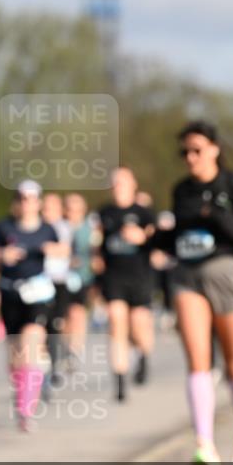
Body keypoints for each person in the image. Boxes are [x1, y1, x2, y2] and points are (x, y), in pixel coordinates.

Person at [159, 120, 233, 465]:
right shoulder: (181, 191)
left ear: (215, 150)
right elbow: (175, 234)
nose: (190, 158)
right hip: (187, 275)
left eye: (197, 150)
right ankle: (204, 443)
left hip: (226, 272)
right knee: (197, 359)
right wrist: (148, 239)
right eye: (185, 152)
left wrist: (219, 217)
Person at [0, 181, 61, 432]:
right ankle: (24, 387)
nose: (27, 203)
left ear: (39, 202)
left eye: (31, 199)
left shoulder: (47, 229)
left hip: (38, 293)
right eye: (22, 199)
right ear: (17, 203)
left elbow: (63, 251)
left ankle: (26, 410)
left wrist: (50, 249)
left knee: (32, 342)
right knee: (15, 355)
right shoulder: (4, 227)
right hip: (11, 293)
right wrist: (1, 255)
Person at [96, 167, 156, 402]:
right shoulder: (104, 213)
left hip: (139, 275)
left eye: (123, 182)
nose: (118, 187)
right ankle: (119, 380)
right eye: (115, 183)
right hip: (114, 277)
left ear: (133, 185)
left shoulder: (143, 213)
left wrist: (142, 238)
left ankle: (143, 355)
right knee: (116, 321)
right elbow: (97, 243)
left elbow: (157, 241)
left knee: (138, 324)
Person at [41, 192, 73, 385]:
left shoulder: (63, 227)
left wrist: (44, 248)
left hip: (59, 282)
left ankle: (57, 361)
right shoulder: (37, 227)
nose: (48, 211)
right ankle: (49, 363)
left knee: (56, 324)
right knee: (43, 325)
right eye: (45, 207)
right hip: (40, 284)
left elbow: (64, 250)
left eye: (52, 207)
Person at [63, 193, 98, 368]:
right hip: (61, 278)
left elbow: (96, 252)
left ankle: (74, 350)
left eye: (77, 209)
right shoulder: (59, 228)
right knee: (63, 316)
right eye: (69, 209)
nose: (73, 213)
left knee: (77, 312)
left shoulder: (90, 229)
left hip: (83, 277)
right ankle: (64, 345)